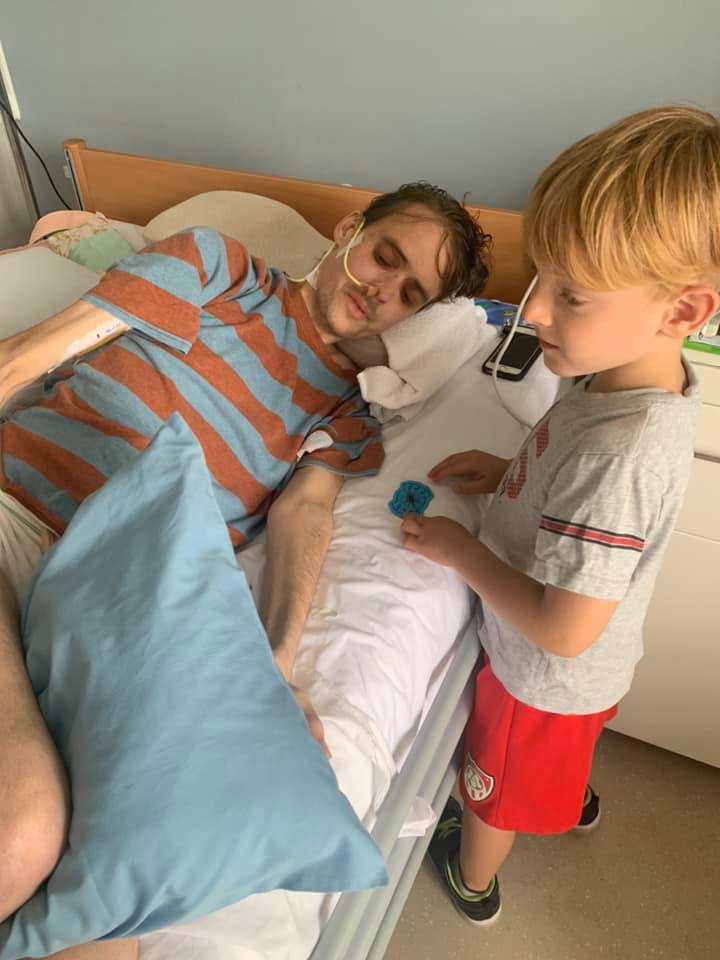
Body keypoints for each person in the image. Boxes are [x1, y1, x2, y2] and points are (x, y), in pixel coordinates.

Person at [0, 181, 491, 944]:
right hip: (18, 512)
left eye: (409, 295)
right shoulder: (217, 270)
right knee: (23, 833)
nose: (381, 292)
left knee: (102, 898)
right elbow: (33, 353)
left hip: (127, 594)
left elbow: (303, 515)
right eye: (385, 257)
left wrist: (275, 668)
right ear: (349, 229)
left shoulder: (346, 415)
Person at [401, 106, 720, 926]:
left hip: (541, 680)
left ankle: (473, 876)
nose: (532, 310)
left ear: (682, 312)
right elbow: (574, 490)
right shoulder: (620, 379)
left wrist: (460, 550)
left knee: (494, 791)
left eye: (570, 295)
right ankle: (569, 792)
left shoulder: (622, 451)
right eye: (541, 275)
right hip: (589, 676)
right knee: (563, 749)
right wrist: (510, 472)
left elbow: (564, 629)